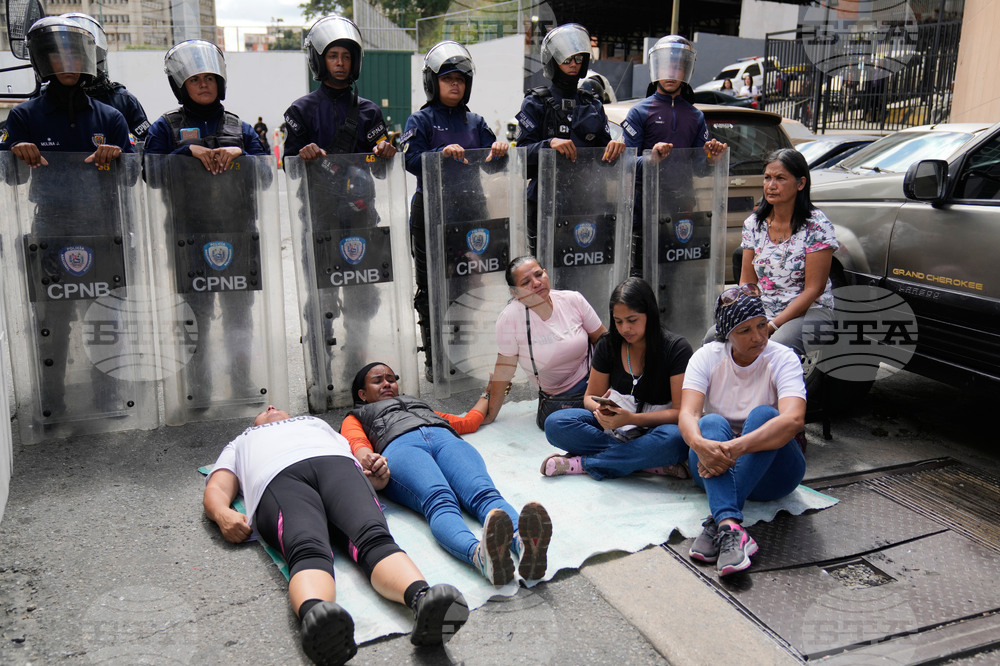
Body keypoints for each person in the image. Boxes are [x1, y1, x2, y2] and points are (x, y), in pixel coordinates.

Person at [204, 406, 469, 665]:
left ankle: (422, 599)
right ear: (254, 424)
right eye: (263, 410)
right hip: (277, 478)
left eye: (276, 405)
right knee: (306, 548)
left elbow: (357, 457)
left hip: (338, 467)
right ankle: (318, 620)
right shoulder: (240, 443)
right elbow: (217, 485)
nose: (270, 406)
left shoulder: (315, 424)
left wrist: (375, 474)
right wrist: (221, 513)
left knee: (374, 537)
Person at [1, 16, 133, 419]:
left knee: (105, 315)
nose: (69, 61)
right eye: (58, 53)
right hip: (51, 228)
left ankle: (107, 394)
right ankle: (51, 398)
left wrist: (120, 157)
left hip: (102, 227)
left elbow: (136, 174)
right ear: (44, 61)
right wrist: (13, 153)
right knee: (53, 318)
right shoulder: (24, 116)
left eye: (76, 52)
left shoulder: (110, 116)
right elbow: (6, 174)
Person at [341, 362, 553, 586]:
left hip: (445, 440)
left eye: (391, 379)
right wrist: (371, 459)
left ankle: (525, 544)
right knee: (439, 499)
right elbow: (358, 444)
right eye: (378, 381)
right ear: (362, 394)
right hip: (401, 448)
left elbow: (467, 421)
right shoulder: (356, 416)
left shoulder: (418, 405)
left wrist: (488, 392)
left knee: (484, 492)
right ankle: (481, 556)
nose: (387, 383)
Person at [144, 39, 267, 406]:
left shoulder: (240, 128)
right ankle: (198, 388)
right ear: (181, 84)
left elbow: (267, 174)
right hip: (187, 237)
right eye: (195, 79)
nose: (203, 84)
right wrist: (185, 152)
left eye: (209, 78)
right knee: (194, 316)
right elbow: (148, 173)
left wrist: (242, 153)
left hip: (238, 233)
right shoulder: (165, 128)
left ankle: (242, 382)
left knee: (238, 316)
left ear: (220, 83)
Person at [282, 15, 395, 411]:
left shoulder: (369, 113)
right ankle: (321, 378)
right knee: (320, 298)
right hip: (319, 219)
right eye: (333, 55)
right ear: (319, 60)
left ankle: (356, 372)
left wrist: (386, 152)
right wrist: (301, 154)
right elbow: (287, 163)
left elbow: (382, 167)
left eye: (347, 56)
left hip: (362, 217)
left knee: (362, 299)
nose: (341, 63)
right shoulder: (301, 110)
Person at [400, 41, 509, 383]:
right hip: (431, 214)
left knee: (469, 285)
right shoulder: (420, 119)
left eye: (461, 79)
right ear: (433, 82)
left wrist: (500, 150)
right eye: (447, 79)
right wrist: (438, 153)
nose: (455, 85)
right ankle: (436, 358)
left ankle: (462, 354)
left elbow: (492, 167)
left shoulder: (476, 122)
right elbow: (410, 161)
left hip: (471, 213)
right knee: (432, 287)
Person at [679, 285, 806, 576]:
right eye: (745, 330)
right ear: (727, 334)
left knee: (765, 416)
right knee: (709, 424)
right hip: (714, 467)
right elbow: (687, 414)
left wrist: (736, 448)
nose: (759, 337)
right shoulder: (706, 357)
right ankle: (730, 527)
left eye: (762, 326)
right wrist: (699, 444)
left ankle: (719, 519)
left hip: (774, 473)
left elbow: (794, 420)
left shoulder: (783, 358)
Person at [541, 278, 692, 481]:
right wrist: (603, 410)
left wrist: (632, 419)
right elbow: (589, 397)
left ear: (650, 314)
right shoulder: (608, 344)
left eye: (632, 320)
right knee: (555, 423)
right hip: (613, 428)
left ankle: (582, 464)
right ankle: (648, 462)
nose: (625, 329)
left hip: (655, 430)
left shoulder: (676, 348)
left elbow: (680, 413)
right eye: (618, 321)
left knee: (675, 439)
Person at [515, 22, 625, 253]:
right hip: (545, 203)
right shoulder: (535, 103)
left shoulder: (592, 103)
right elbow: (520, 156)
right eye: (566, 60)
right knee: (546, 274)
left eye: (577, 59)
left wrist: (614, 147)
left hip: (588, 203)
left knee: (587, 270)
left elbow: (604, 157)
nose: (573, 65)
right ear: (553, 61)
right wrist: (549, 145)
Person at [620, 36, 727, 272]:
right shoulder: (639, 112)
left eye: (677, 66)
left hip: (680, 206)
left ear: (686, 70)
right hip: (644, 206)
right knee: (642, 272)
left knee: (677, 272)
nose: (671, 73)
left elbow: (699, 167)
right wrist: (651, 157)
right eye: (666, 66)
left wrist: (712, 158)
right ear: (656, 68)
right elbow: (627, 161)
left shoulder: (695, 116)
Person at [483, 256, 606, 429]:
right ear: (515, 293)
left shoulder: (573, 300)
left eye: (539, 274)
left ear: (546, 274)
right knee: (559, 426)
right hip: (561, 401)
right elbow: (504, 370)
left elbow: (603, 340)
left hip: (598, 384)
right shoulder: (510, 319)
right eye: (525, 282)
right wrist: (490, 414)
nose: (536, 283)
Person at [738, 148, 838, 357]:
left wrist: (772, 326)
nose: (771, 185)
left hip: (810, 312)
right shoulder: (754, 224)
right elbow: (747, 284)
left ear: (800, 183)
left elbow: (814, 290)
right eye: (767, 178)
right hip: (764, 312)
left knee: (776, 348)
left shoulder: (817, 226)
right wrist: (746, 318)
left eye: (780, 178)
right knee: (715, 338)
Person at [61, 13, 150, 142]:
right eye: (64, 55)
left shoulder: (123, 100)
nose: (71, 63)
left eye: (79, 55)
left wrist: (123, 146)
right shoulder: (43, 98)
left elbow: (145, 144)